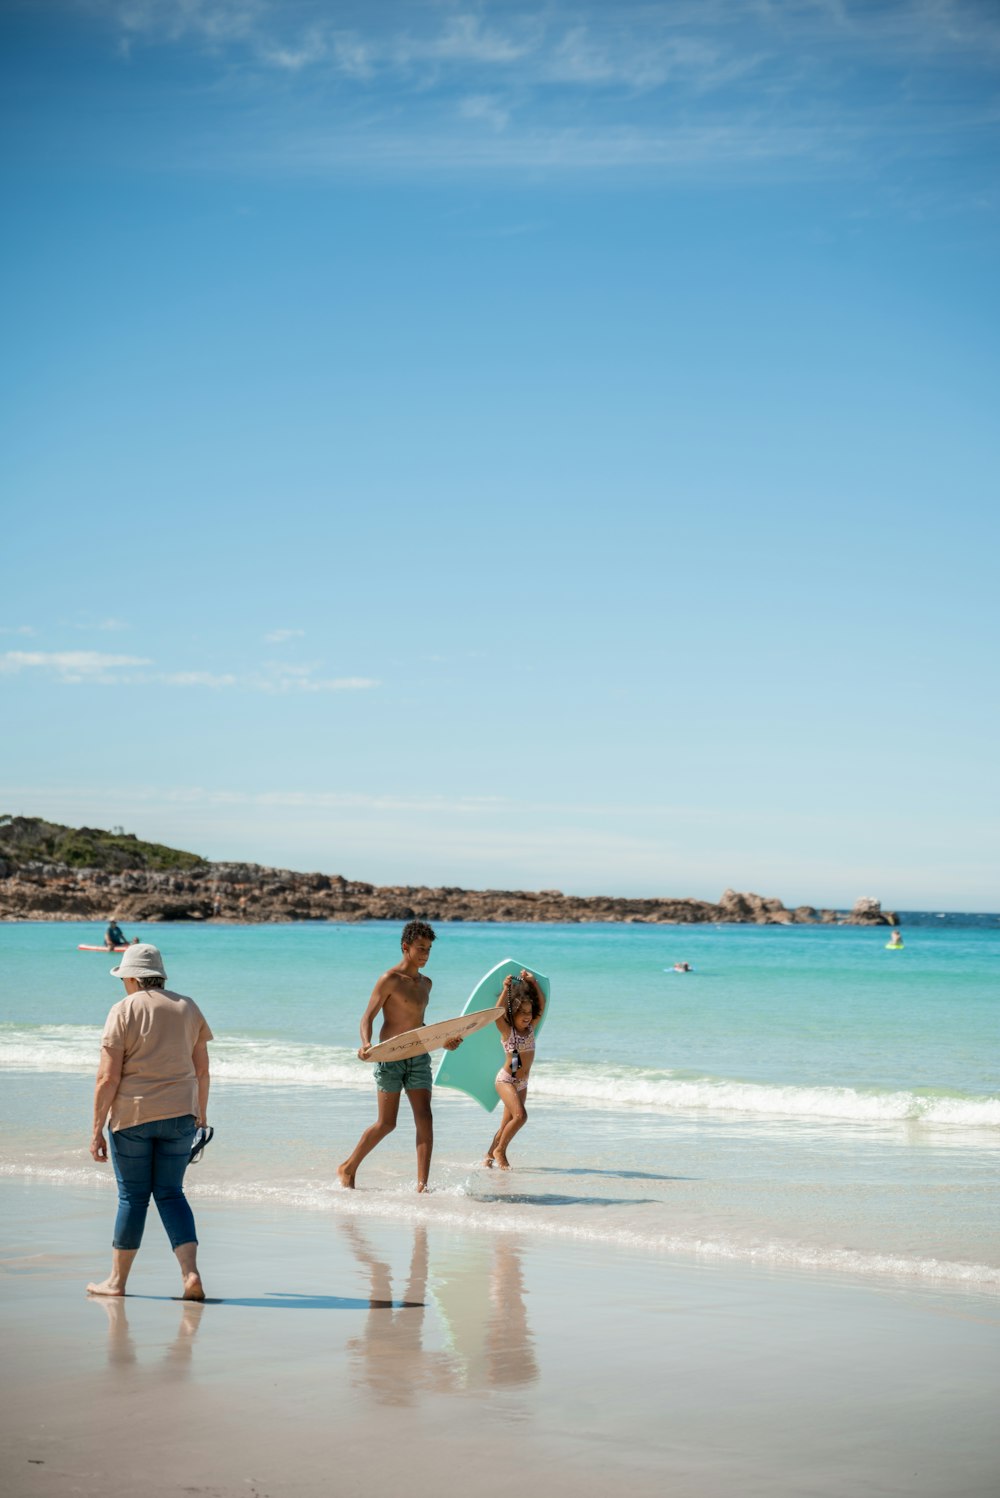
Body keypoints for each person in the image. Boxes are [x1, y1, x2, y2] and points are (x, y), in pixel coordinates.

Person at [87, 943, 213, 1300]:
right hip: (181, 1115)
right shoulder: (187, 1006)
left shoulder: (123, 1009)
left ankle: (116, 1282)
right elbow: (202, 1070)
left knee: (133, 1198)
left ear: (130, 977)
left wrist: (96, 1129)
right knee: (172, 1194)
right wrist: (200, 1115)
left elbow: (107, 1078)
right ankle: (190, 1276)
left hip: (133, 1117)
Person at [338, 921, 461, 1193]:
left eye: (429, 949)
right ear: (405, 947)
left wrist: (444, 1041)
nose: (425, 955)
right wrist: (366, 1043)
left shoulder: (426, 984)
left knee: (425, 1118)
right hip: (390, 1056)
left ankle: (422, 1186)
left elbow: (419, 1025)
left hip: (418, 1055)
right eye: (420, 949)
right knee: (387, 1123)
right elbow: (367, 1016)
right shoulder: (389, 979)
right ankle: (348, 1167)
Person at [484, 971, 546, 1171]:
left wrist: (533, 982)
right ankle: (500, 1150)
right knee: (520, 1117)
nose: (528, 1017)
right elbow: (497, 1012)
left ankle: (488, 1156)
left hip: (522, 1083)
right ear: (513, 1014)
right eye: (523, 1013)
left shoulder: (530, 1029)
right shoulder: (507, 1031)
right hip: (506, 1081)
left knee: (506, 1125)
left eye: (529, 1012)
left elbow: (542, 1007)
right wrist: (505, 990)